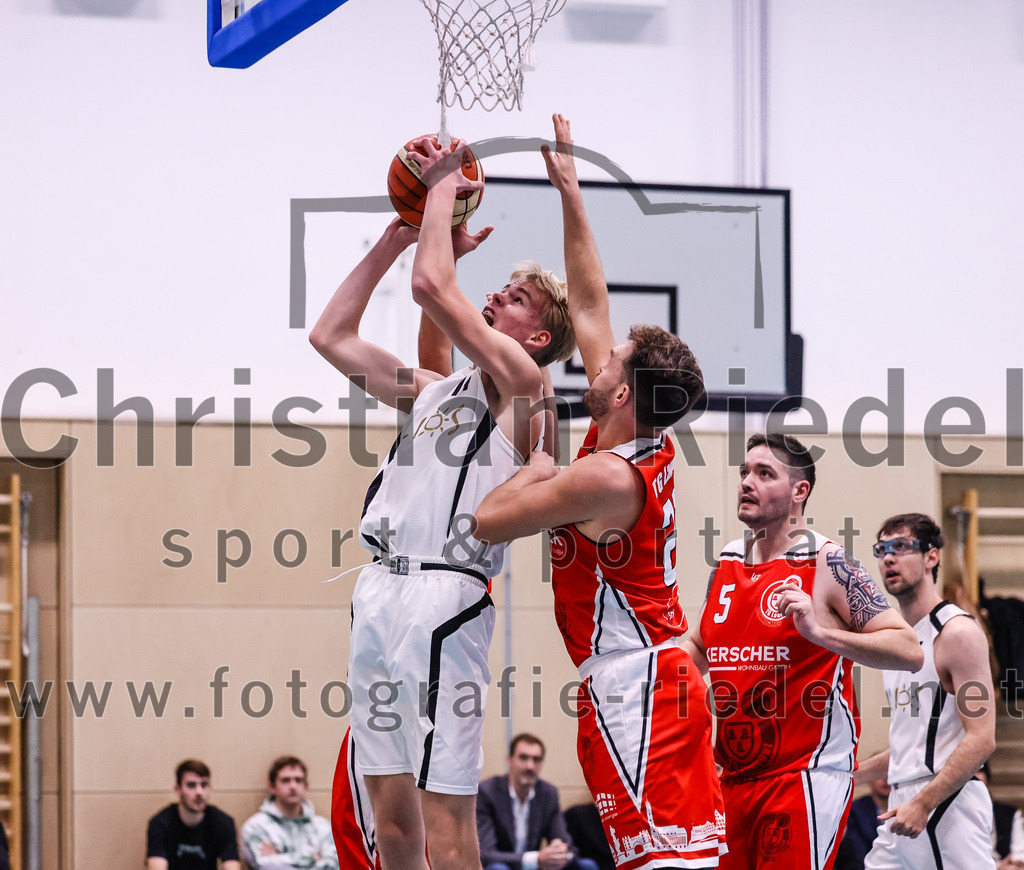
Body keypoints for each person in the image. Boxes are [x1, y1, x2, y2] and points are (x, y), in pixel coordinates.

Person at [310, 133, 575, 870]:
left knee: (446, 816)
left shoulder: (530, 393)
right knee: (390, 818)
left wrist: (437, 191)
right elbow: (330, 334)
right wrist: (398, 234)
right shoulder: (436, 391)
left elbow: (433, 286)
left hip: (447, 598)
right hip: (378, 590)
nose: (491, 296)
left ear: (539, 335)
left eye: (512, 298)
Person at [475, 114, 726, 870]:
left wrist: (535, 434)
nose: (598, 354)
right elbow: (587, 304)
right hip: (639, 679)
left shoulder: (602, 477)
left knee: (673, 864)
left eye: (609, 360)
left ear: (621, 392)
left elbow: (489, 521)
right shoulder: (636, 437)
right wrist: (571, 192)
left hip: (639, 685)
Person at [682, 434, 924, 870]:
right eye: (743, 472)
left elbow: (908, 649)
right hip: (733, 777)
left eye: (764, 473)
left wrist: (820, 633)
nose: (746, 482)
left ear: (799, 491)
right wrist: (654, 678)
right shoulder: (728, 562)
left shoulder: (829, 563)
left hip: (803, 778)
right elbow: (699, 645)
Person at [856, 512, 997, 870]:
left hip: (946, 804)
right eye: (882, 549)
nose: (888, 557)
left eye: (901, 546)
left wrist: (924, 802)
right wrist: (847, 775)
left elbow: (981, 739)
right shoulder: (897, 642)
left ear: (931, 556)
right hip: (901, 802)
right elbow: (913, 747)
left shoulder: (957, 633)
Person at [477, 733, 599, 870]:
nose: (530, 766)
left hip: (538, 867)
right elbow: (486, 854)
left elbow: (569, 847)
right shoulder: (488, 791)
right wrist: (536, 859)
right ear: (509, 760)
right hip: (505, 866)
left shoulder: (548, 794)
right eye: (523, 758)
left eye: (536, 759)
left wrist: (560, 852)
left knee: (587, 865)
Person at [240, 755, 338, 869]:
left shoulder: (323, 827)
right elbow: (266, 866)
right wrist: (315, 858)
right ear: (272, 786)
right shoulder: (256, 827)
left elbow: (334, 864)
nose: (293, 786)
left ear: (306, 786)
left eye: (298, 780)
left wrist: (279, 858)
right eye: (285, 780)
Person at [146, 759, 240, 870]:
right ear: (177, 790)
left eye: (204, 785)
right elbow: (157, 866)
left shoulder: (223, 823)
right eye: (191, 785)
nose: (199, 792)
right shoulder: (161, 823)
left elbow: (232, 865)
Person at [833, 778, 890, 870]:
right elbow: (855, 856)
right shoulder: (852, 811)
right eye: (879, 775)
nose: (885, 780)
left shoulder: (907, 813)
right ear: (870, 779)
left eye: (889, 774)